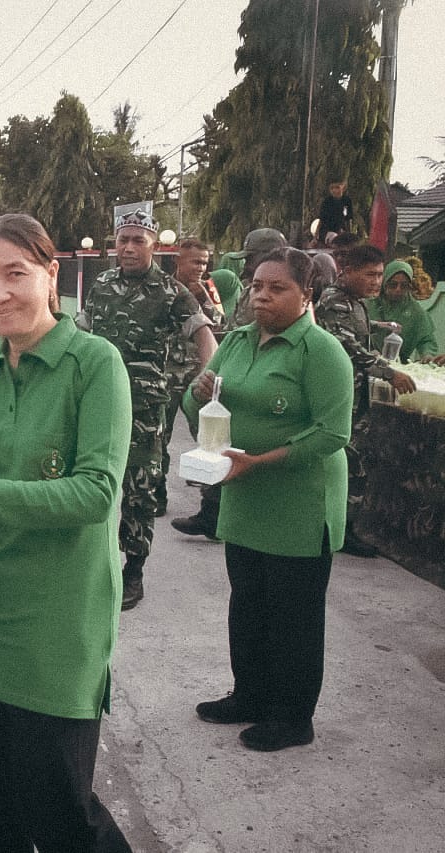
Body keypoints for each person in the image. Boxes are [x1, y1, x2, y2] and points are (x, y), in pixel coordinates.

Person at [0, 213, 133, 852]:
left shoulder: (95, 363)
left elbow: (96, 492)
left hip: (55, 630)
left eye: (15, 274)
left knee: (61, 814)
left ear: (51, 274)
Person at [186, 246, 353, 752]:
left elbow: (333, 433)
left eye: (277, 288)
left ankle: (293, 717)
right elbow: (201, 402)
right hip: (245, 497)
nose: (262, 296)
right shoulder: (237, 341)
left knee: (293, 617)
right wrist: (198, 392)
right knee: (249, 605)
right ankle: (250, 695)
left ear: (307, 295)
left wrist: (259, 461)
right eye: (257, 286)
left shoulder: (321, 351)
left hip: (299, 504)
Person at [78, 208, 216, 609]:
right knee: (88, 479)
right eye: (123, 240)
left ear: (154, 246)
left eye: (138, 240)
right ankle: (89, 562)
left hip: (144, 407)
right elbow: (80, 332)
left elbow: (205, 335)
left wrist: (207, 377)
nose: (129, 247)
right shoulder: (101, 285)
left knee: (139, 491)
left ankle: (133, 571)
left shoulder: (171, 292)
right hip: (97, 399)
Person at [173, 227, 286, 541]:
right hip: (224, 368)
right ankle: (212, 513)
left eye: (252, 258)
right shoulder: (250, 289)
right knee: (217, 441)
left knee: (228, 442)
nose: (247, 265)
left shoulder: (259, 293)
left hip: (250, 372)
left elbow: (233, 328)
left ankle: (216, 515)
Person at [315, 243, 416, 557]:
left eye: (379, 275)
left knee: (354, 459)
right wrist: (389, 372)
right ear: (348, 271)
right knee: (349, 461)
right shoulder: (334, 300)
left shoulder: (354, 301)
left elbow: (356, 328)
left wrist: (378, 326)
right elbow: (347, 343)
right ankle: (340, 530)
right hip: (337, 394)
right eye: (370, 274)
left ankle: (343, 527)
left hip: (354, 394)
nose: (376, 282)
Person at [159, 238, 221, 517]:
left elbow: (220, 323)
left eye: (205, 263)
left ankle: (212, 504)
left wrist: (204, 298)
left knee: (208, 436)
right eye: (195, 262)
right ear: (178, 261)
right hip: (167, 374)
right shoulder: (163, 288)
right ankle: (156, 494)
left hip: (198, 375)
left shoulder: (208, 289)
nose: (201, 267)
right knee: (159, 436)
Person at [366, 259, 441, 363]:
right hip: (367, 360)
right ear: (384, 283)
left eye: (404, 286)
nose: (398, 289)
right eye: (393, 285)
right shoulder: (369, 303)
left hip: (399, 365)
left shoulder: (415, 310)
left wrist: (427, 354)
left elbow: (426, 339)